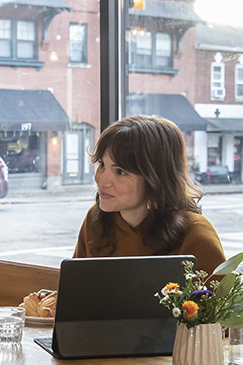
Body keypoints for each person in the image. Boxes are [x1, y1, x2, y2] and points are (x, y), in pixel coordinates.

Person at [74, 115, 226, 274]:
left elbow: (221, 297)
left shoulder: (196, 234)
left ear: (156, 178)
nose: (102, 181)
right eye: (102, 165)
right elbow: (74, 289)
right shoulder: (96, 219)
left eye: (120, 172)